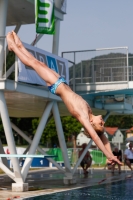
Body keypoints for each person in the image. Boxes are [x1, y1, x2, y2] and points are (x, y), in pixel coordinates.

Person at [6, 31, 122, 166]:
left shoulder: (83, 116)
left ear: (92, 124)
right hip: (61, 82)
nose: (102, 121)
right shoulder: (89, 113)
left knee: (34, 64)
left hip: (57, 85)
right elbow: (103, 138)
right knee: (37, 63)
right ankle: (19, 46)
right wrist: (111, 155)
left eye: (100, 124)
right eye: (103, 124)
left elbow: (96, 137)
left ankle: (13, 47)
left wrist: (107, 155)